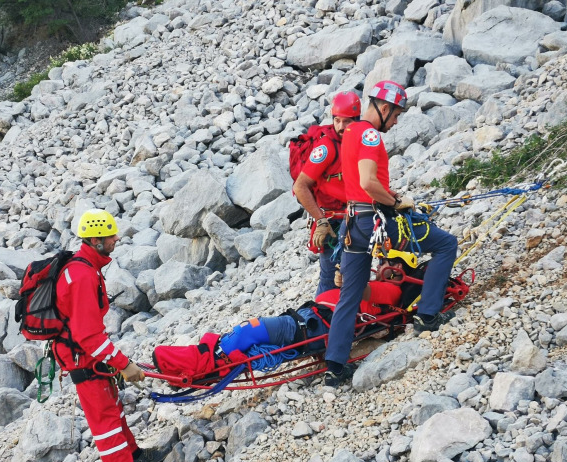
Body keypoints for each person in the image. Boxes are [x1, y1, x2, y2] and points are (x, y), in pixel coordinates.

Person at [322, 80, 459, 387]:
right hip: (376, 222)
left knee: (351, 292)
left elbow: (359, 184)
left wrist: (392, 195)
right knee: (446, 244)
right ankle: (427, 315)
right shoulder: (370, 134)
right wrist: (397, 202)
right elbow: (369, 182)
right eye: (395, 114)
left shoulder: (349, 133)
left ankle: (334, 367)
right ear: (384, 109)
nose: (395, 121)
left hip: (354, 221)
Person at [53, 209, 164, 462]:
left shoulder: (85, 267)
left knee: (112, 409)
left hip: (87, 355)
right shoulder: (81, 275)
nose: (116, 239)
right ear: (96, 241)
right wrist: (123, 363)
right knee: (106, 424)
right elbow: (87, 335)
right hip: (82, 358)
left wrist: (115, 361)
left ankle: (136, 458)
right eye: (110, 236)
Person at [151, 279, 404, 379]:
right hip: (300, 325)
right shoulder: (359, 300)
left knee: (245, 333)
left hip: (299, 328)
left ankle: (208, 360)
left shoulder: (363, 305)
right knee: (243, 333)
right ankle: (206, 357)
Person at [293, 91, 362, 296]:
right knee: (330, 278)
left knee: (350, 274)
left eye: (346, 121)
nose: (340, 126)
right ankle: (320, 320)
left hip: (354, 217)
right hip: (332, 223)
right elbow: (300, 186)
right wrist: (320, 221)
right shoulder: (326, 147)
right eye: (337, 120)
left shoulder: (356, 141)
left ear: (357, 120)